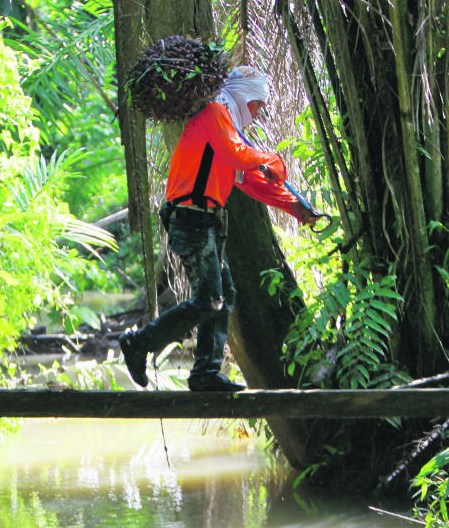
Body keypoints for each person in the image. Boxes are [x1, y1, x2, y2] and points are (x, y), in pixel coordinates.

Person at [119, 66, 318, 392]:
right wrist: (270, 159)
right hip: (190, 216)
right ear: (245, 96)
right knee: (209, 299)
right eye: (258, 104)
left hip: (205, 219)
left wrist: (295, 207)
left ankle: (204, 374)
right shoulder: (214, 113)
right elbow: (238, 157)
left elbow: (251, 180)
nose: (259, 112)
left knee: (223, 298)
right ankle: (139, 343)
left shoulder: (227, 126)